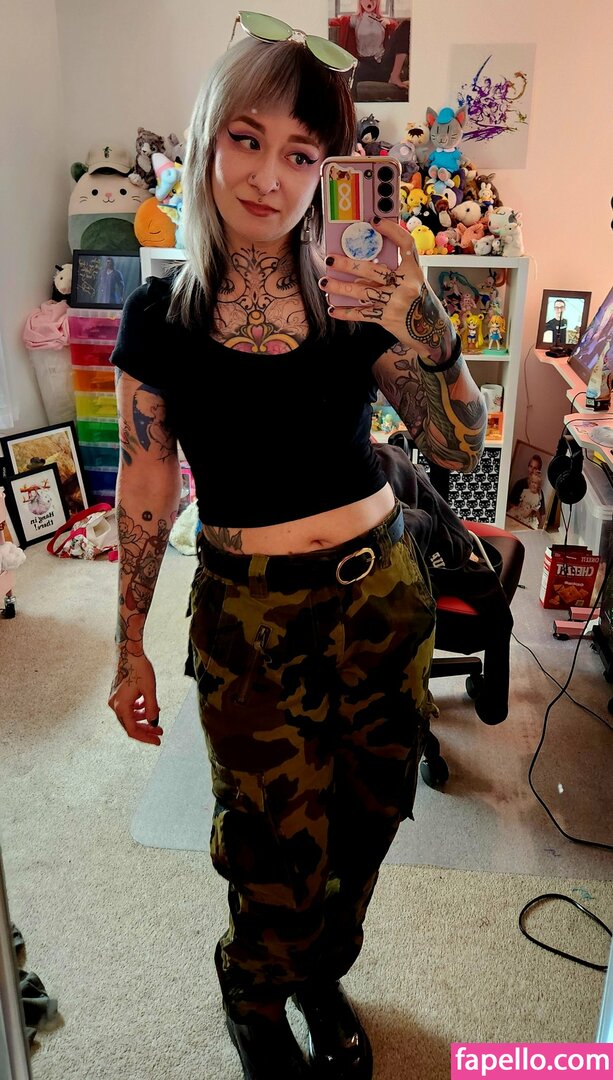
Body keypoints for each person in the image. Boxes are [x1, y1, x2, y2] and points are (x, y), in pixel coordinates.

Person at [108, 18, 486, 1080]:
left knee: (368, 817)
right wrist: (128, 645)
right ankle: (255, 995)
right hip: (251, 617)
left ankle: (323, 973)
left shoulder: (354, 294)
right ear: (206, 140)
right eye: (246, 139)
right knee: (270, 841)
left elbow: (457, 448)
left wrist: (424, 318)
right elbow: (146, 486)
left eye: (300, 153)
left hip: (383, 598)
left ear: (325, 170)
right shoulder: (158, 318)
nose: (269, 177)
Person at [350, 0, 409, 94]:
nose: (369, 1)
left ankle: (395, 76)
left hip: (382, 62)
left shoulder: (382, 20)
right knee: (353, 72)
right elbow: (336, 23)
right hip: (364, 65)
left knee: (406, 24)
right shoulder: (355, 19)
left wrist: (389, 23)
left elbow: (397, 35)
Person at [508, 454, 546, 528]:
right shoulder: (519, 484)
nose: (531, 470)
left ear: (538, 471)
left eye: (535, 468)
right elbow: (510, 504)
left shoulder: (539, 493)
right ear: (528, 467)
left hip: (529, 522)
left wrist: (533, 512)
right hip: (516, 518)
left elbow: (542, 515)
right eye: (531, 466)